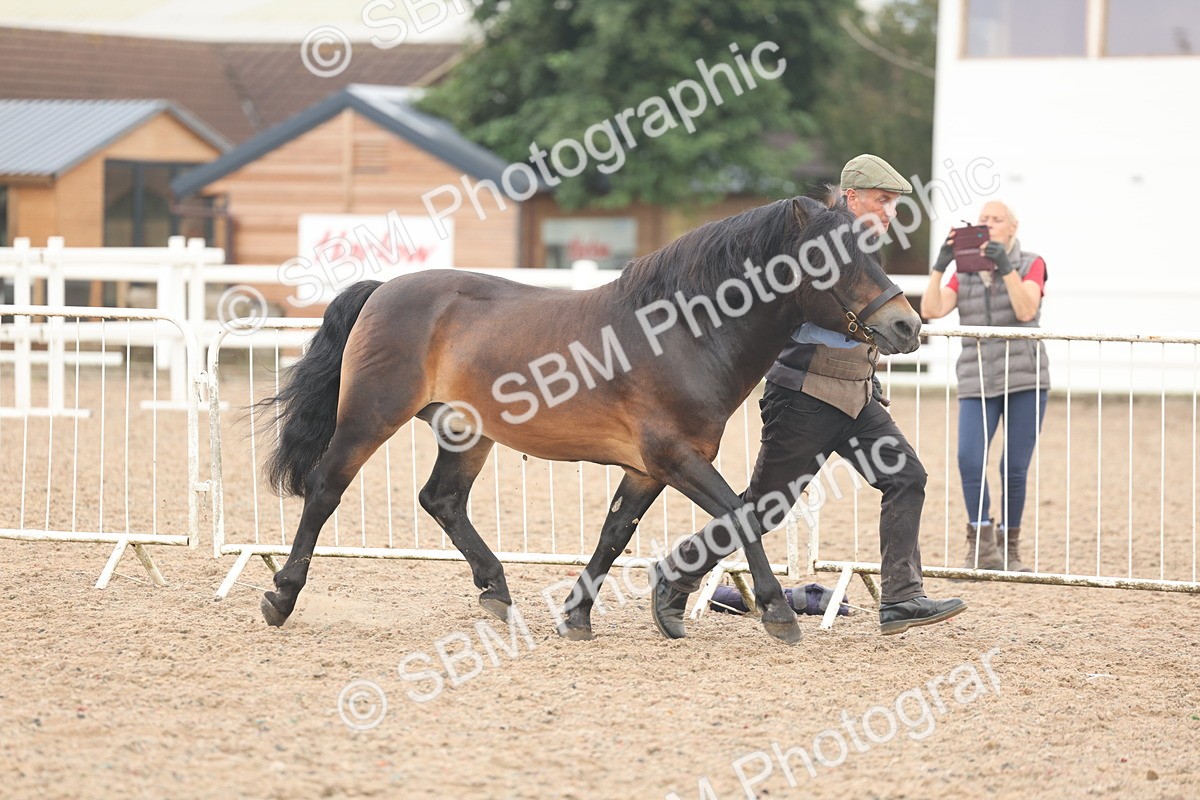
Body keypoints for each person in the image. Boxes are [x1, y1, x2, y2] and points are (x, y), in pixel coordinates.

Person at [651, 154, 965, 638]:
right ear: (852, 196)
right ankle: (677, 573)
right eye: (883, 201)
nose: (889, 213)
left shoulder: (860, 251)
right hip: (805, 396)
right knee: (765, 509)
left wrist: (870, 371)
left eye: (895, 205)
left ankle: (901, 598)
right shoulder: (814, 244)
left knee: (906, 477)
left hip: (853, 396)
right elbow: (805, 307)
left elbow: (859, 322)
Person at [921, 201, 1048, 572]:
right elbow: (931, 309)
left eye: (996, 220)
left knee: (1014, 466)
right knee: (969, 458)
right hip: (977, 377)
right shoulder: (966, 271)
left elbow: (1026, 311)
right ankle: (981, 545)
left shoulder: (1032, 262)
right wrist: (941, 264)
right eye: (982, 220)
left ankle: (1011, 549)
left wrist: (1006, 268)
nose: (988, 225)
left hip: (1026, 378)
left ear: (1013, 227)